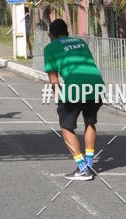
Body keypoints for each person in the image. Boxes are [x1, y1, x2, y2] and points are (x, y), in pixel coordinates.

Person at [43, 18, 104, 180]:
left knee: (66, 126)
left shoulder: (50, 48)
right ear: (68, 33)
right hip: (96, 84)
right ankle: (90, 163)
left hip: (75, 86)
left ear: (51, 35)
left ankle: (83, 168)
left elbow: (54, 79)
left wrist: (58, 98)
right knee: (90, 122)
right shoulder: (80, 42)